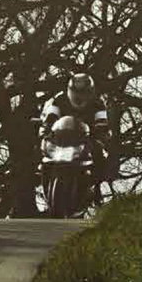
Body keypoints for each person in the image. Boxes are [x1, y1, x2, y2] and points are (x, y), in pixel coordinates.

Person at [40, 73, 111, 202]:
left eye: (83, 93)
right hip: (61, 139)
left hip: (84, 140)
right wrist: (45, 129)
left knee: (100, 153)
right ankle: (36, 174)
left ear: (90, 92)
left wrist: (101, 135)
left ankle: (96, 188)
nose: (79, 97)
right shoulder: (60, 99)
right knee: (38, 150)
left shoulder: (98, 103)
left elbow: (102, 122)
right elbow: (51, 117)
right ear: (69, 91)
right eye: (76, 93)